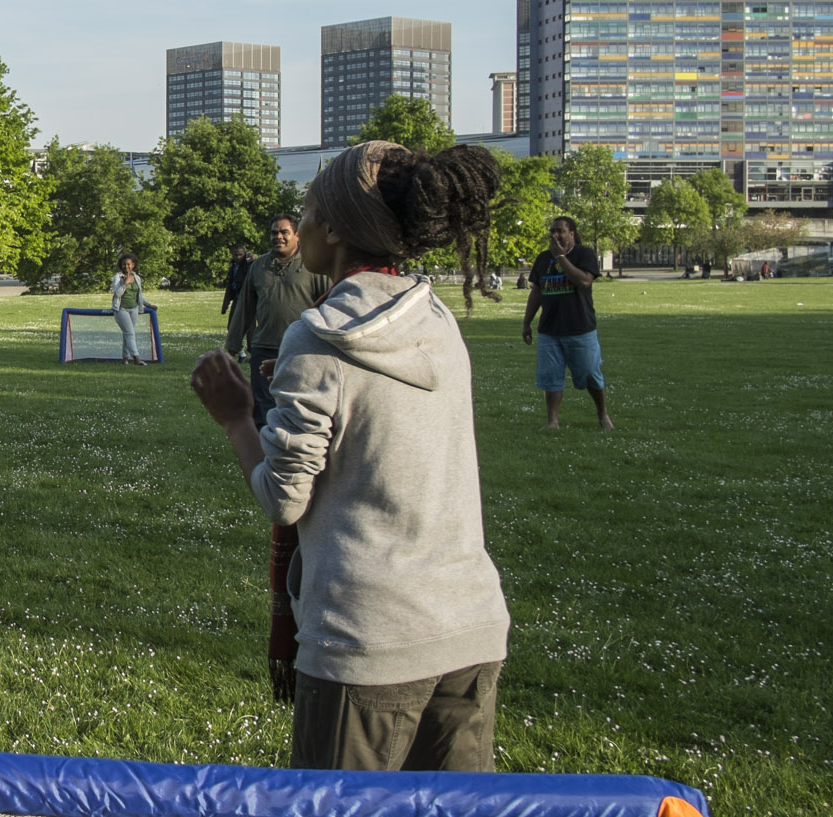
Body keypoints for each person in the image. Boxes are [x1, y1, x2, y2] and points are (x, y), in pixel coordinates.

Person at [190, 140, 511, 772]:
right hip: (470, 628)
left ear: (332, 228)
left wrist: (235, 417)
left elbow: (284, 498)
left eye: (307, 209)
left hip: (369, 639)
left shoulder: (320, 336)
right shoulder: (439, 317)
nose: (299, 222)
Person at [225, 214, 326, 428]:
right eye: (274, 233)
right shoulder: (259, 266)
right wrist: (231, 347)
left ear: (297, 236)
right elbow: (244, 308)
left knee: (300, 407)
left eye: (284, 232)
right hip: (264, 346)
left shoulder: (312, 264)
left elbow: (328, 304)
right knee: (263, 407)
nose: (278, 237)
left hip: (302, 349)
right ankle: (263, 455)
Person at [523, 216, 614, 430]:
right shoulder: (543, 259)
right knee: (551, 377)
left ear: (572, 233)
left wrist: (561, 258)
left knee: (591, 374)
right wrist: (526, 322)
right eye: (552, 231)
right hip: (550, 330)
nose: (555, 235)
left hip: (580, 328)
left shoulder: (584, 254)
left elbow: (584, 281)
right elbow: (537, 292)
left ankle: (602, 415)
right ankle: (553, 421)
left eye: (560, 231)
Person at [110, 253, 155, 364]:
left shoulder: (137, 278)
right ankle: (137, 358)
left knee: (128, 333)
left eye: (129, 264)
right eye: (124, 264)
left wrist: (148, 305)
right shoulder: (117, 277)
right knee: (130, 333)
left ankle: (125, 358)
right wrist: (125, 284)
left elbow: (138, 295)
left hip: (134, 309)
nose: (126, 266)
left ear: (133, 265)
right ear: (121, 265)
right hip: (121, 309)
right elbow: (117, 294)